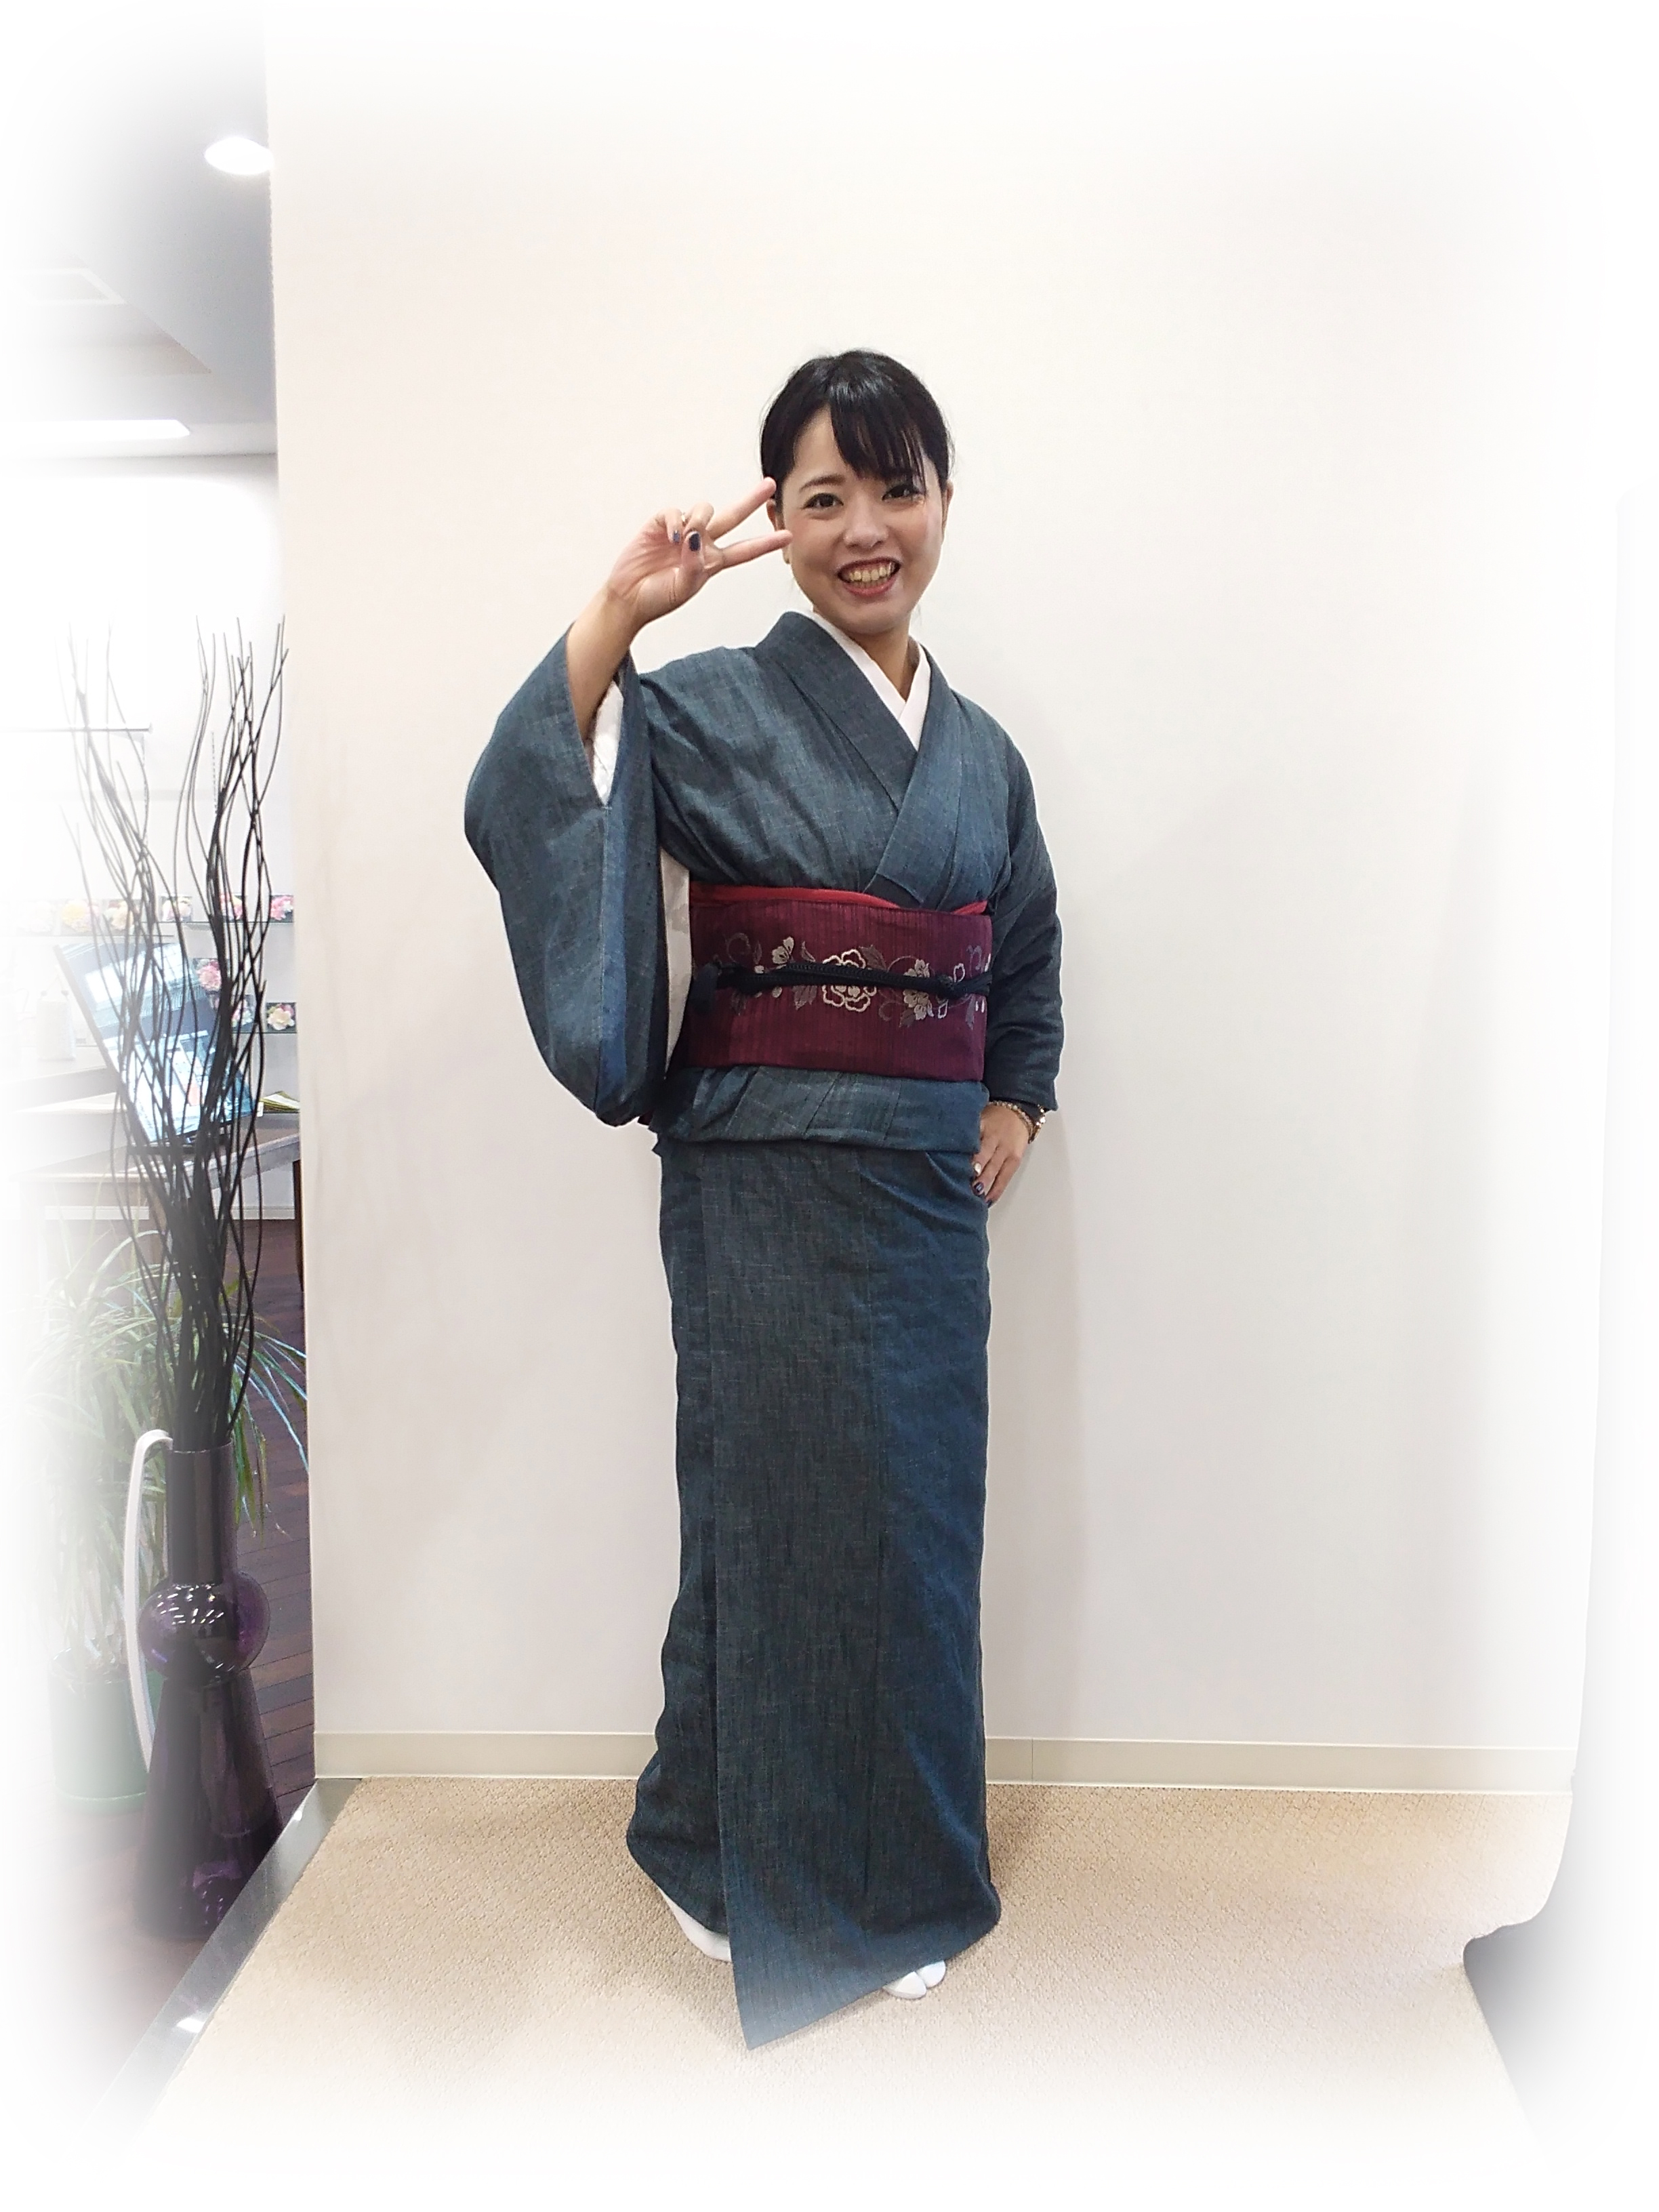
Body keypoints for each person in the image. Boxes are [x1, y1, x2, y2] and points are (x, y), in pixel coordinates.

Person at [466, 350, 1063, 2047]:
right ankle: (747, 1858)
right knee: (769, 1521)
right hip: (760, 1182)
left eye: (897, 489)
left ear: (943, 501)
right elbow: (526, 793)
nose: (867, 529)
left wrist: (1016, 1093)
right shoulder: (711, 706)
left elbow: (1023, 947)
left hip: (927, 1209)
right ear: (778, 525)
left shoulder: (984, 759)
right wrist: (619, 611)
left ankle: (795, 1849)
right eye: (823, 497)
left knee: (915, 1541)